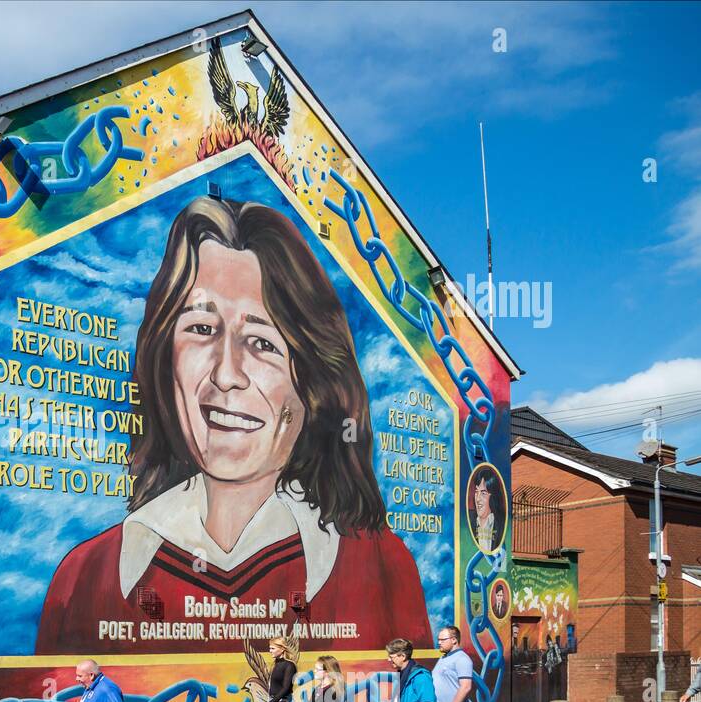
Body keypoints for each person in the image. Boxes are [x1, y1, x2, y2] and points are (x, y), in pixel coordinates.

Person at [39, 195, 431, 654]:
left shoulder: (380, 567)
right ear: (165, 358)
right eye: (202, 329)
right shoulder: (88, 577)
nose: (226, 374)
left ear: (314, 381)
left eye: (262, 342)